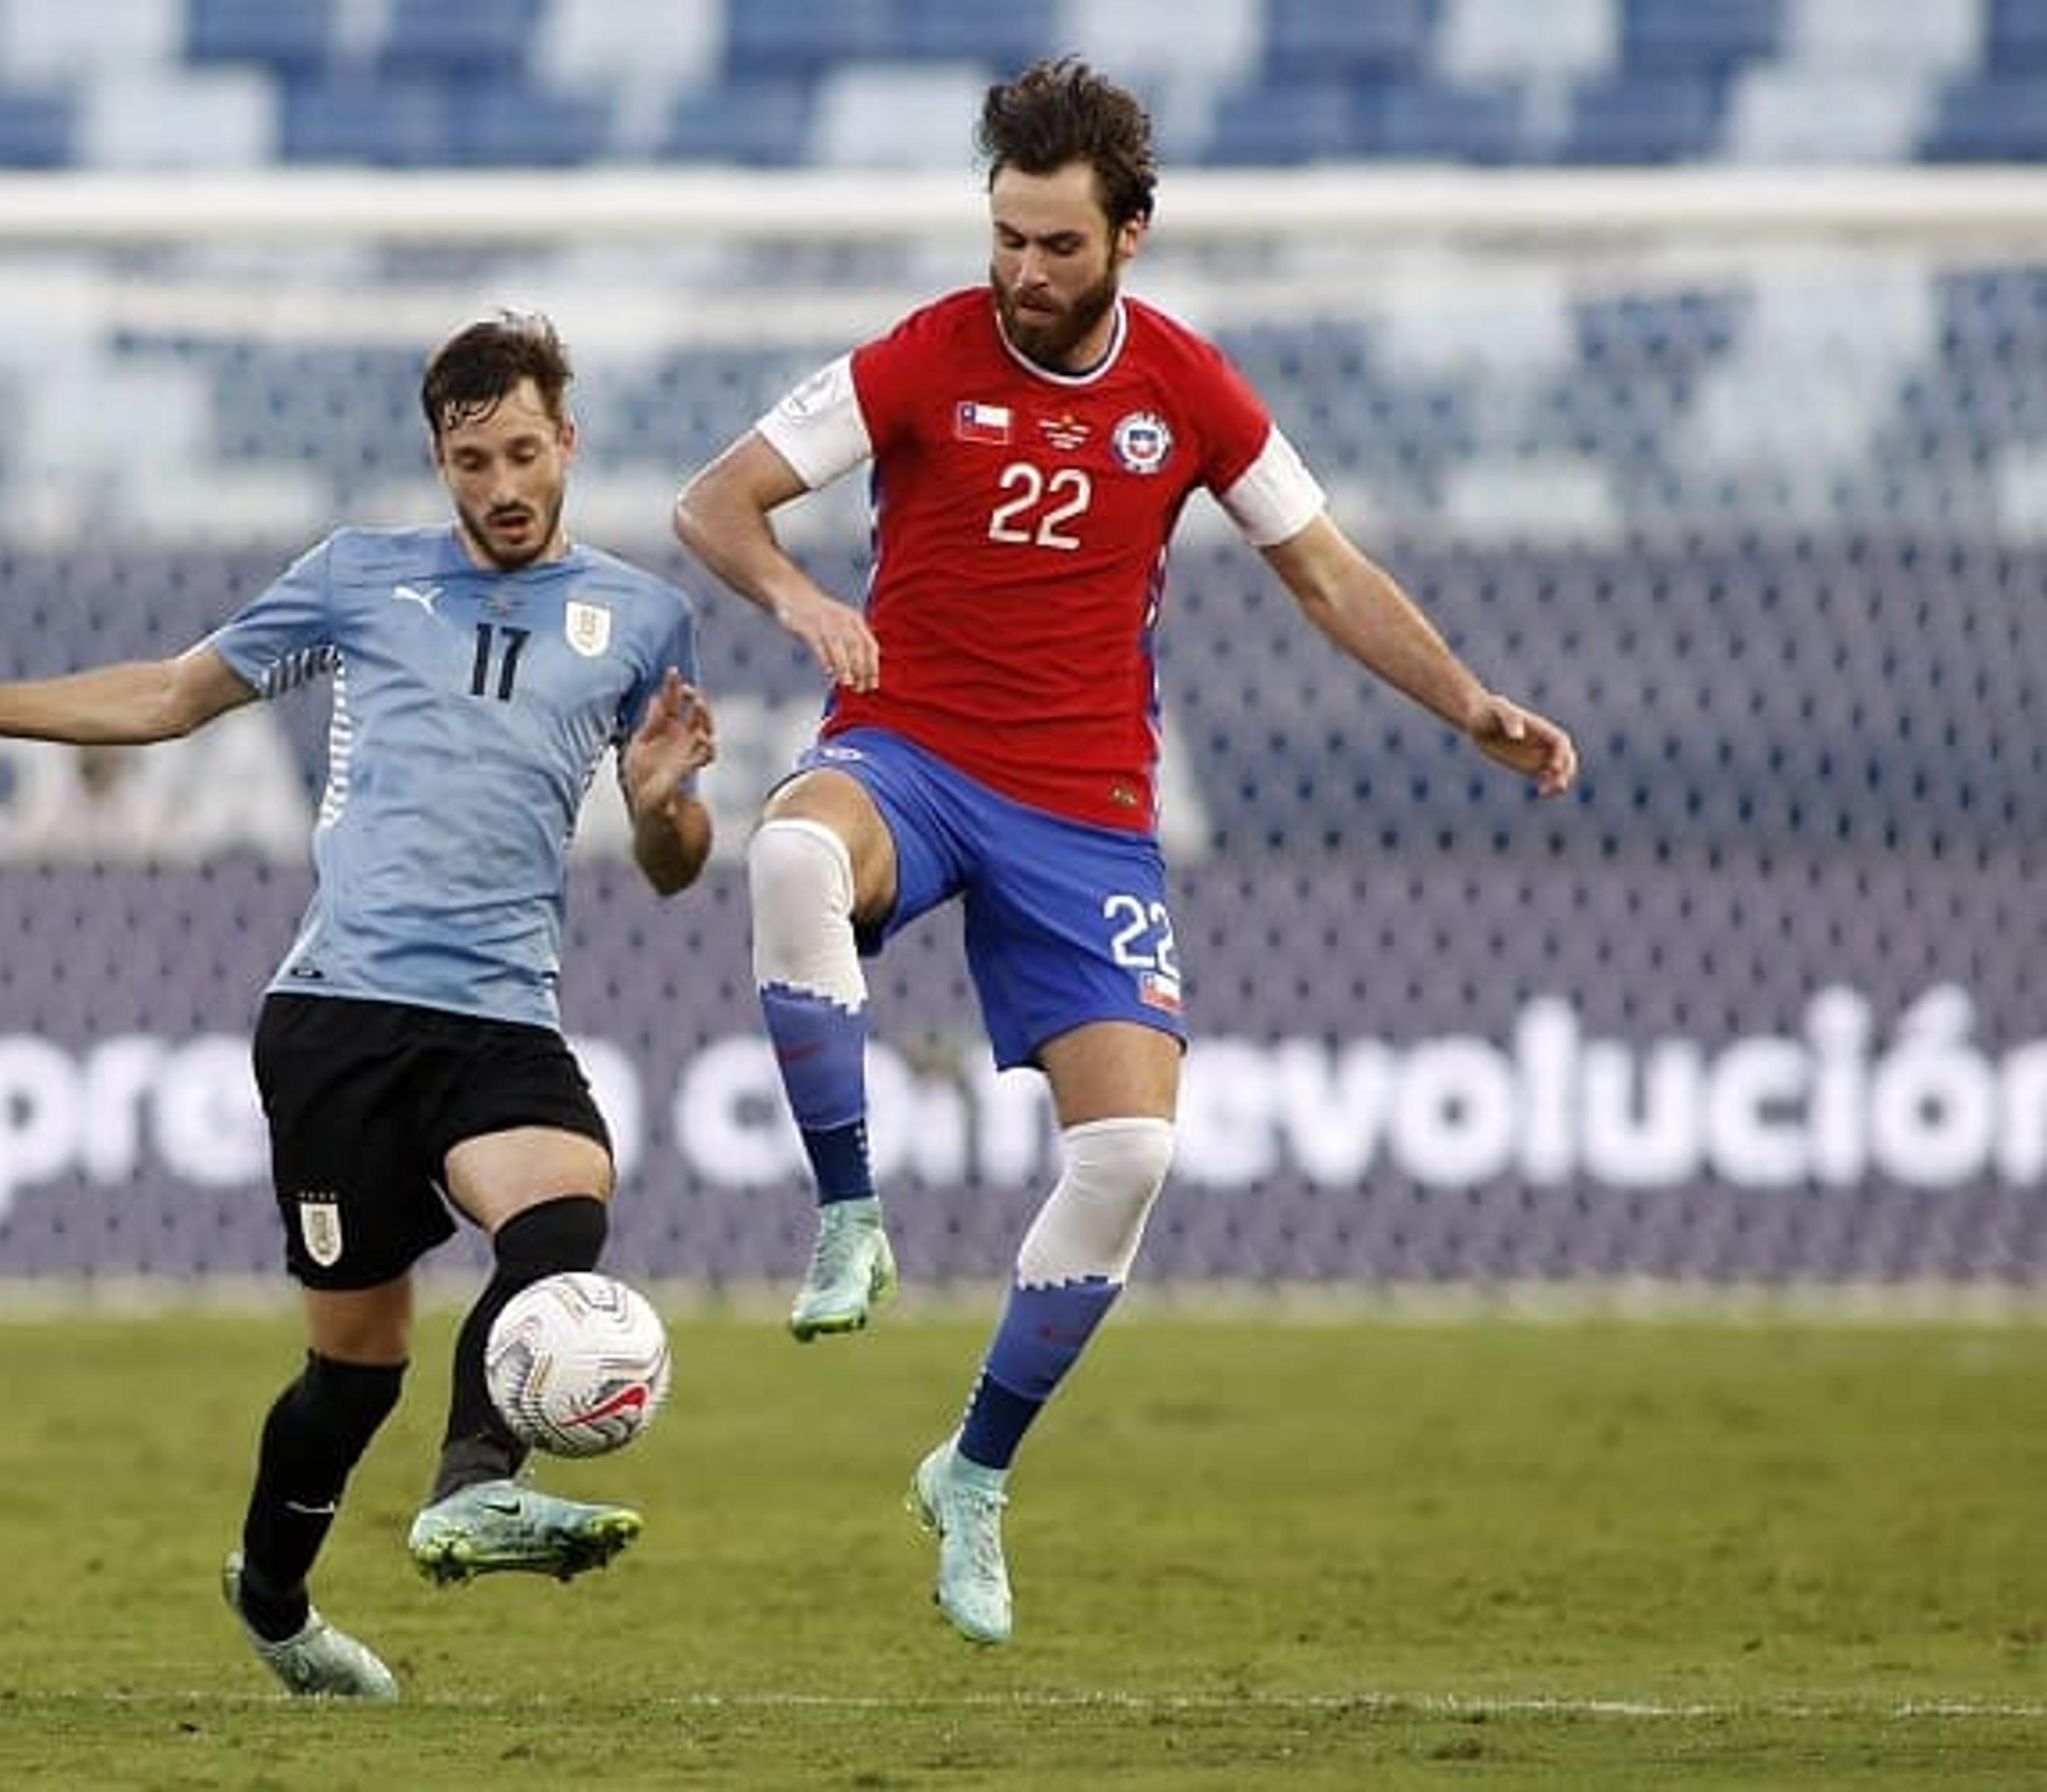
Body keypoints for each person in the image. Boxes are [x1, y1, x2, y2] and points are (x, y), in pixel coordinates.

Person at [673, 57, 1578, 1647]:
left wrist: (1467, 703)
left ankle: (972, 1470)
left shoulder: (1193, 390)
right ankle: (847, 1215)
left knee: (1133, 1158)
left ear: (1131, 237)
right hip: (910, 755)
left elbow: (1326, 570)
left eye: (1057, 247)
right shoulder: (918, 356)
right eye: (1007, 238)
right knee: (790, 863)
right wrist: (804, 602)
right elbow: (713, 501)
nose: (1023, 274)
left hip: (1084, 810)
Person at [0, 313, 715, 1701]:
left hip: (504, 1022)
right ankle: (276, 1598)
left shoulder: (643, 617)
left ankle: (474, 1484)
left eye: (525, 451)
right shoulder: (359, 579)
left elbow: (670, 865)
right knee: (354, 1368)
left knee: (564, 1213)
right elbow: (175, 696)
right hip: (340, 1018)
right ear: (438, 460)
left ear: (570, 442)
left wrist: (665, 808)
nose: (502, 484)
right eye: (472, 458)